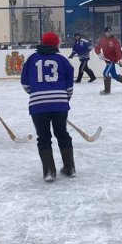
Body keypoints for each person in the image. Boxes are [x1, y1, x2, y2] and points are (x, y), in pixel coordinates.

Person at [22, 32, 76, 182]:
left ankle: (49, 172)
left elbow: (25, 83)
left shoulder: (31, 59)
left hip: (38, 104)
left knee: (43, 137)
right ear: (57, 44)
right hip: (60, 103)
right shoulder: (63, 60)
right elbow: (69, 86)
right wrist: (63, 100)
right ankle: (70, 168)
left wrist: (37, 95)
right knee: (62, 134)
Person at [94, 26, 122, 94]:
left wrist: (119, 59)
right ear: (105, 32)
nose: (109, 33)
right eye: (107, 32)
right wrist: (99, 54)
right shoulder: (102, 39)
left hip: (112, 60)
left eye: (110, 32)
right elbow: (97, 48)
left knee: (105, 73)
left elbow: (118, 50)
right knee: (114, 75)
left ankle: (107, 90)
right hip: (107, 60)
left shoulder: (114, 40)